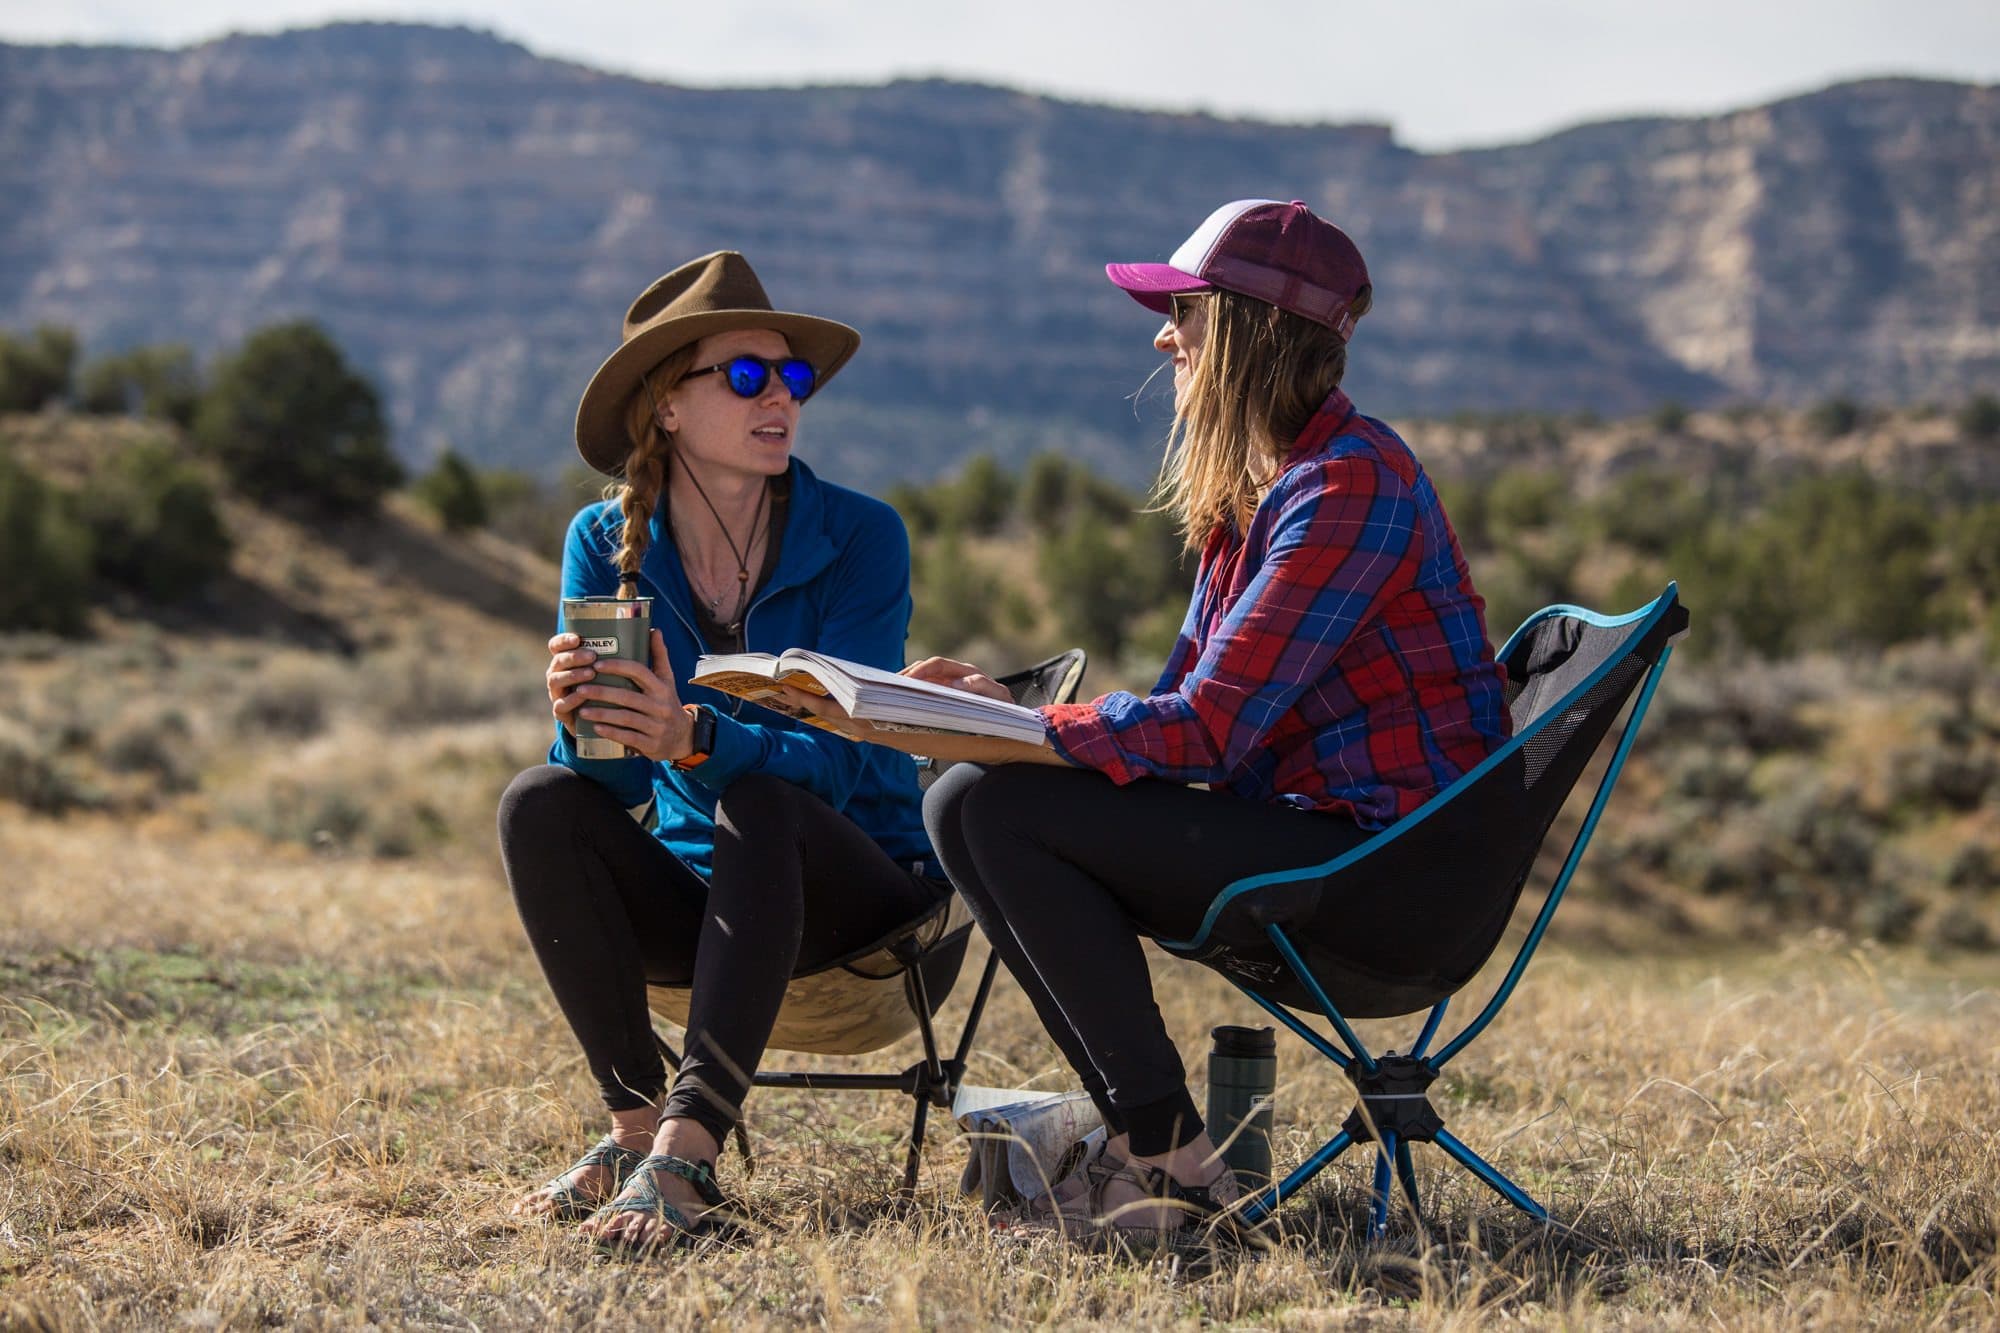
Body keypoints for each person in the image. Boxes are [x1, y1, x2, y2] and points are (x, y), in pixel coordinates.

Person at [789, 200, 1513, 1236]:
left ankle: (1170, 1168)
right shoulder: (1266, 492)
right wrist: (1003, 716)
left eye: (1184, 312)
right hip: (1331, 842)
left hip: (1386, 879)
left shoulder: (1347, 488)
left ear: (1248, 332)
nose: (1161, 333)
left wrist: (1018, 736)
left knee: (987, 808)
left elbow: (1206, 731)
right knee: (972, 803)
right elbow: (1187, 707)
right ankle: (1158, 1150)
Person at [497, 251, 943, 1250]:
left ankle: (689, 1158)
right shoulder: (607, 539)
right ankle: (633, 1131)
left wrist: (696, 736)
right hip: (709, 899)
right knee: (537, 802)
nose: (781, 395)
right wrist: (584, 720)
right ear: (666, 406)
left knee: (764, 803)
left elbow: (858, 754)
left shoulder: (860, 536)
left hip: (856, 891)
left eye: (792, 377)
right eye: (747, 375)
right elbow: (608, 785)